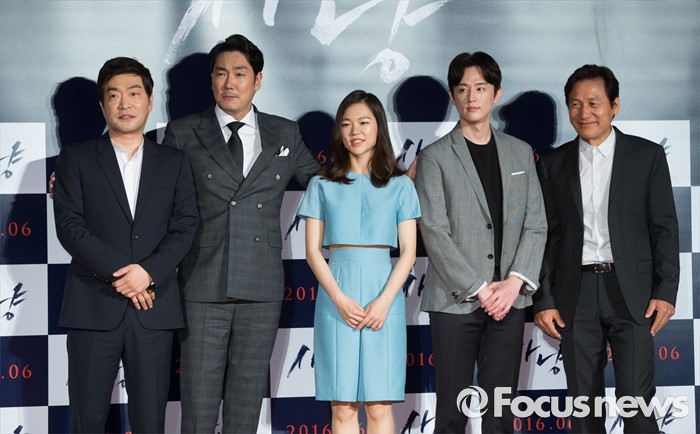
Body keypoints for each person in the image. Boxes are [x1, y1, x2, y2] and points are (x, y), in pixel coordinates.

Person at [161, 34, 320, 433]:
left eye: (239, 73)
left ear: (258, 80)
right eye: (220, 74)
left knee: (246, 405)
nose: (229, 83)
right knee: (197, 407)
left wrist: (390, 180)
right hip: (202, 283)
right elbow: (152, 192)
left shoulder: (284, 133)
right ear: (211, 80)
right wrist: (81, 180)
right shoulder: (183, 132)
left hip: (261, 287)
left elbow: (325, 186)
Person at [52, 57, 198, 433]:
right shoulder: (76, 158)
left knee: (150, 421)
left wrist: (147, 272)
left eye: (134, 93)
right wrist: (126, 277)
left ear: (150, 101)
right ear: (102, 105)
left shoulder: (175, 162)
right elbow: (70, 227)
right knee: (87, 419)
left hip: (154, 308)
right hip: (92, 306)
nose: (124, 103)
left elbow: (185, 227)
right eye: (114, 95)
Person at [534, 64, 679, 433]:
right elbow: (546, 237)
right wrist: (544, 299)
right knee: (583, 407)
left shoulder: (646, 156)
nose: (584, 113)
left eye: (594, 103)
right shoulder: (552, 165)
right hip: (575, 295)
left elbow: (664, 228)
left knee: (636, 403)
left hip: (633, 293)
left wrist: (665, 292)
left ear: (615, 105)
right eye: (575, 104)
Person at [415, 52, 547, 433]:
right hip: (454, 300)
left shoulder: (520, 152)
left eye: (480, 88)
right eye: (462, 89)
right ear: (453, 96)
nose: (471, 97)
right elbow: (433, 230)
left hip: (510, 300)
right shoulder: (434, 157)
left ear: (496, 93)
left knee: (500, 412)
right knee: (451, 412)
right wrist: (480, 289)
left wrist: (514, 283)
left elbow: (536, 224)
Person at [297, 90, 420, 434]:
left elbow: (409, 252)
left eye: (364, 122)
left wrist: (384, 301)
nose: (355, 131)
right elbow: (312, 252)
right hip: (337, 295)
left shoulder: (400, 185)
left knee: (380, 406)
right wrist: (338, 298)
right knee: (343, 407)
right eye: (347, 124)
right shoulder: (321, 184)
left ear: (379, 127)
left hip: (385, 295)